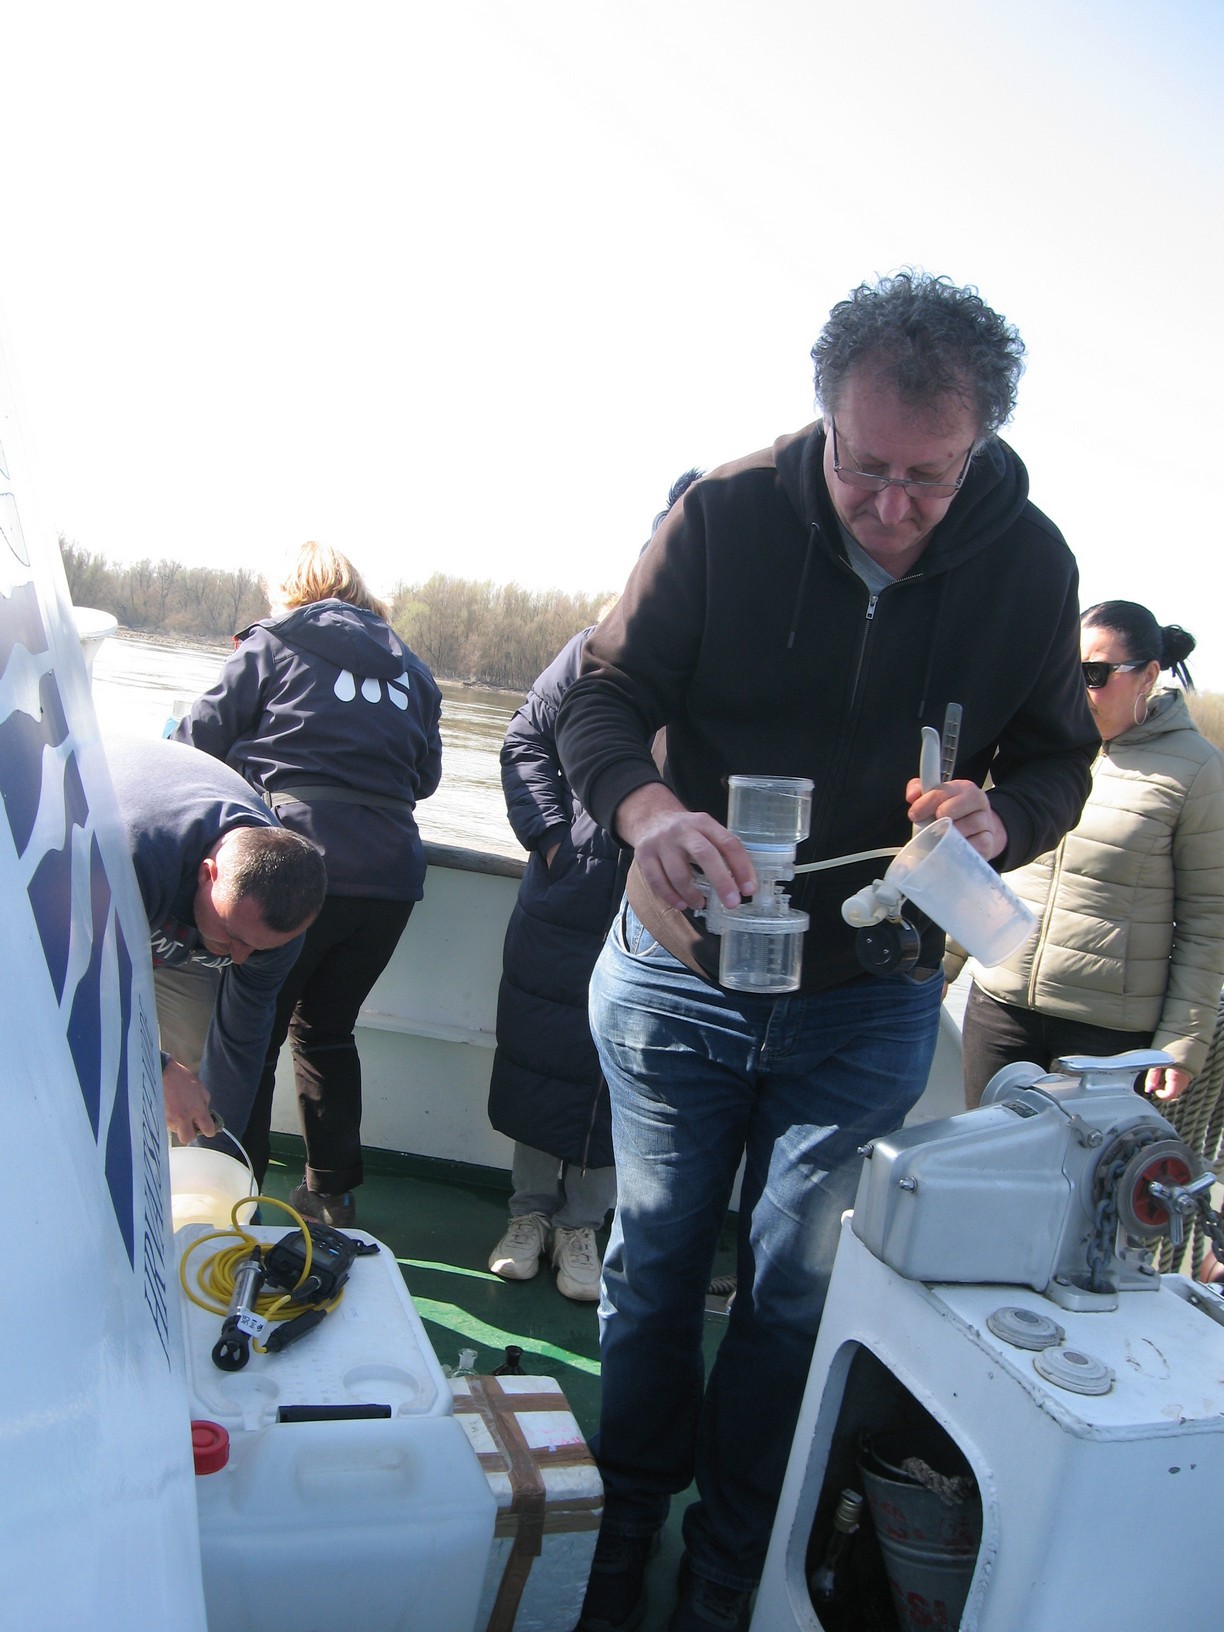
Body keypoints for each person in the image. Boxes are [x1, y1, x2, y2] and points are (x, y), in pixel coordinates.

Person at [554, 271, 1099, 1632]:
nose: (893, 505)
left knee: (796, 1290)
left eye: (930, 476)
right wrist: (647, 810)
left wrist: (1005, 815)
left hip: (869, 994)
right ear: (825, 421)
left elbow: (1057, 761)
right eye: (866, 467)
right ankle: (624, 1533)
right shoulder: (724, 515)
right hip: (680, 972)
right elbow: (604, 694)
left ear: (980, 445)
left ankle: (731, 1564)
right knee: (655, 1261)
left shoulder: (1032, 564)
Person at [173, 541, 442, 1226]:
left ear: (292, 591)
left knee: (253, 1038)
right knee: (328, 1031)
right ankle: (332, 1196)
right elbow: (426, 779)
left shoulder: (273, 643)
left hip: (295, 877)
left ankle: (236, 1195)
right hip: (388, 882)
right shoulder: (412, 670)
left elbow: (194, 741)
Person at [487, 471, 701, 1303]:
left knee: (625, 1070)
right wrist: (551, 837)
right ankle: (528, 1214)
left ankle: (584, 1225)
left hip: (661, 910)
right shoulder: (589, 650)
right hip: (565, 894)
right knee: (541, 1053)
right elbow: (525, 740)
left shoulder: (741, 670)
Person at [957, 602, 1224, 1108]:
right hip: (999, 1010)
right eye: (1067, 670)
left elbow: (1208, 920)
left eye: (1095, 675)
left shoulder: (1197, 770)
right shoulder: (1033, 752)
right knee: (982, 1157)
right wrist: (936, 968)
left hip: (1105, 1038)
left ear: (1148, 676)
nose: (1077, 689)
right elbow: (982, 868)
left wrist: (1182, 1043)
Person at [107, 736, 326, 1145]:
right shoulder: (133, 858)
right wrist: (157, 1066)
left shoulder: (270, 928)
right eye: (235, 936)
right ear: (208, 874)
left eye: (258, 948)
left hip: (180, 926)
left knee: (197, 1066)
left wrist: (219, 1150)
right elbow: (80, 988)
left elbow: (239, 1046)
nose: (240, 959)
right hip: (91, 898)